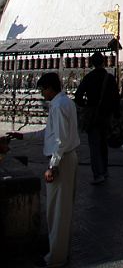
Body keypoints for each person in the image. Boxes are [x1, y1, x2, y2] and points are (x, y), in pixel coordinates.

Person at [9, 72, 80, 268]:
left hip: (62, 160)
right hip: (68, 158)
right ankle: (61, 252)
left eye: (43, 90)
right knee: (63, 210)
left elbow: (60, 141)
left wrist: (53, 166)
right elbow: (50, 133)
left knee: (56, 212)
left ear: (50, 88)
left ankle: (55, 258)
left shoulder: (58, 106)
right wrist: (22, 136)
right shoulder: (66, 103)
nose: (42, 94)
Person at [74, 51, 119, 183]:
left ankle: (98, 174)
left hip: (93, 115)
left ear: (92, 63)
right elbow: (116, 98)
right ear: (104, 62)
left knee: (94, 145)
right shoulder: (109, 78)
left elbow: (78, 96)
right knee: (104, 144)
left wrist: (86, 105)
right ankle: (104, 171)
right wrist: (116, 114)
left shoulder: (89, 77)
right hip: (107, 116)